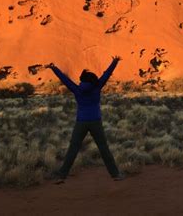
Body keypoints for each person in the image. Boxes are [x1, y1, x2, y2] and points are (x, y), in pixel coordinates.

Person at [45, 56, 125, 184]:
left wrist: (54, 68)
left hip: (81, 122)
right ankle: (115, 174)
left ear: (82, 80)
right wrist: (114, 62)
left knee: (73, 149)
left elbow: (64, 80)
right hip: (96, 122)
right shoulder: (97, 87)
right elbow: (107, 74)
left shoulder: (77, 89)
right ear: (93, 80)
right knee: (104, 148)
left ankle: (62, 176)